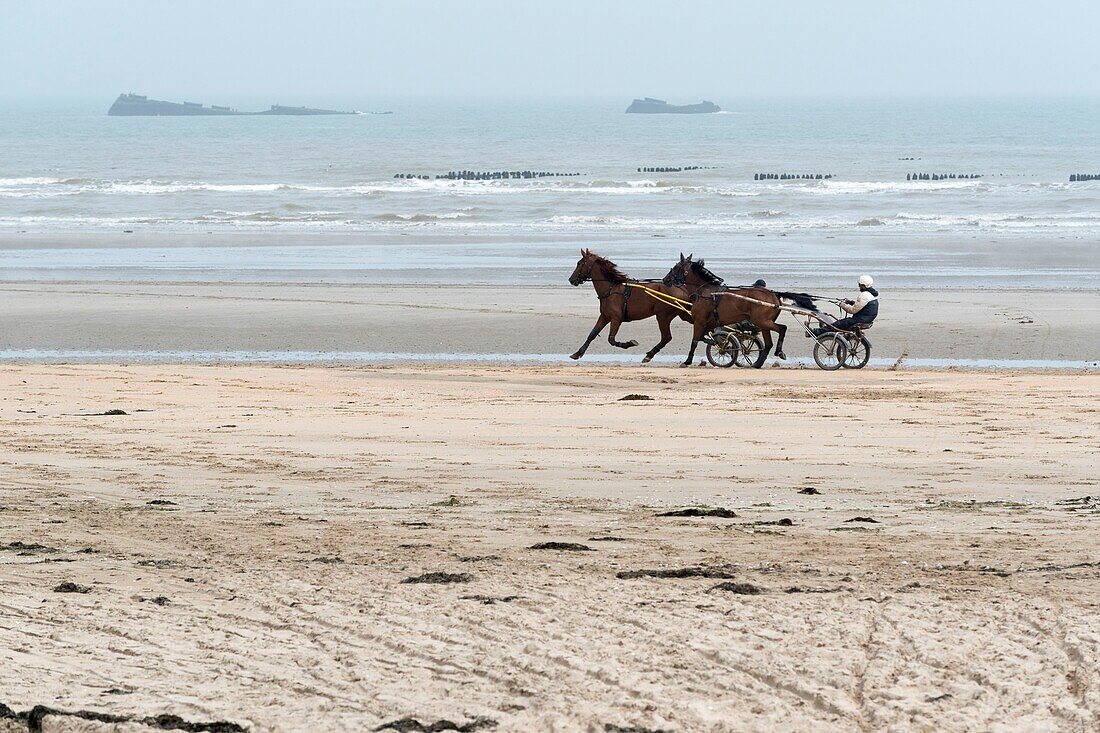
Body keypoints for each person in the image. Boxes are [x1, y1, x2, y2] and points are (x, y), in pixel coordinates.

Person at [813, 275, 878, 335]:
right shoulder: (872, 295)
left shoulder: (864, 295)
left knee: (837, 324)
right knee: (840, 323)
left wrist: (842, 305)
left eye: (860, 285)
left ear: (864, 286)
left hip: (860, 320)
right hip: (866, 319)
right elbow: (864, 305)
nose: (859, 286)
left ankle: (817, 332)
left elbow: (852, 310)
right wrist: (850, 302)